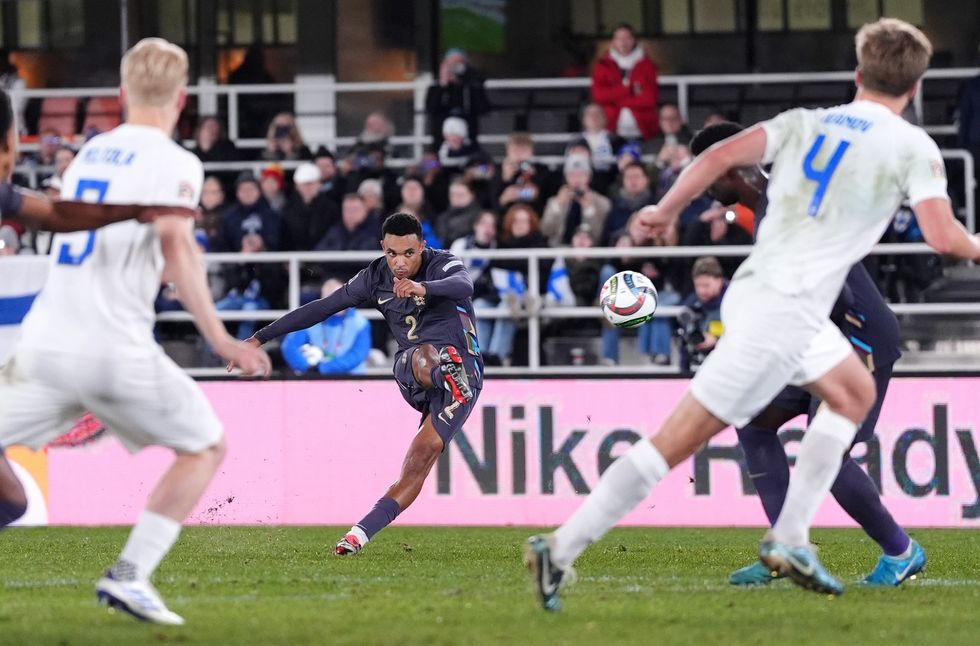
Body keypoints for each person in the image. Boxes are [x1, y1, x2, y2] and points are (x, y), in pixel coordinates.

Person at [526, 18, 979, 609]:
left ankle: (788, 537)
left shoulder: (803, 123)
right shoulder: (913, 145)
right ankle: (561, 549)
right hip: (781, 310)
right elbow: (942, 237)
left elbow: (718, 157)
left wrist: (664, 209)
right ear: (916, 87)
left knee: (851, 395)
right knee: (675, 441)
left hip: (776, 302)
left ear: (858, 74)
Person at [0, 38, 271, 625]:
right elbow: (177, 247)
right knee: (205, 446)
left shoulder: (93, 151)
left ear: (121, 94)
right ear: (182, 99)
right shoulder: (178, 163)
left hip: (44, 342)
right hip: (112, 348)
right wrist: (221, 338)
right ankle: (129, 574)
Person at [687, 122, 922, 587]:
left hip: (858, 337)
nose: (700, 181)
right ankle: (786, 547)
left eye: (705, 170)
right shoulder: (774, 204)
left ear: (731, 167)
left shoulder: (782, 208)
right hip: (822, 336)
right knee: (755, 424)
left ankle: (902, 551)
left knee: (827, 454)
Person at [230, 212, 483, 555]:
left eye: (409, 253)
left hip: (467, 371)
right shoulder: (373, 276)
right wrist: (259, 338)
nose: (399, 262)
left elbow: (464, 286)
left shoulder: (444, 263)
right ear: (383, 248)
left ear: (422, 246)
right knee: (424, 354)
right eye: (392, 253)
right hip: (416, 368)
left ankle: (358, 534)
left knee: (421, 458)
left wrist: (423, 287)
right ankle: (445, 374)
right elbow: (322, 307)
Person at [280, 278, 371, 375]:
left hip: (352, 380)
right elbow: (289, 346)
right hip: (316, 380)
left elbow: (358, 354)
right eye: (328, 297)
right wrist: (307, 368)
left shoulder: (360, 323)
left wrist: (323, 369)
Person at [590, 24, 659, 141]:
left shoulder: (647, 65)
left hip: (644, 132)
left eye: (627, 38)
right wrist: (630, 90)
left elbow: (649, 99)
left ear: (634, 40)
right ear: (614, 41)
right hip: (611, 131)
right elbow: (599, 96)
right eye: (619, 38)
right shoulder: (603, 66)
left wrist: (614, 100)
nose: (623, 42)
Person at [541, 153, 610, 247]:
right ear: (566, 178)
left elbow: (601, 236)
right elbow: (546, 231)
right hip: (559, 251)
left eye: (581, 175)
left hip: (590, 253)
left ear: (589, 177)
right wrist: (558, 206)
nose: (577, 180)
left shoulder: (602, 203)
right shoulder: (554, 201)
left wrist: (589, 209)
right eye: (572, 175)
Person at [425, 48, 489, 149]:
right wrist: (443, 84)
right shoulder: (435, 88)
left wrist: (471, 81)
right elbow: (431, 109)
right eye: (452, 63)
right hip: (441, 142)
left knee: (475, 163)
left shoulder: (471, 87)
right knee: (433, 163)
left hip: (469, 141)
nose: (455, 67)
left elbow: (482, 108)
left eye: (459, 63)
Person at [280, 161, 338, 251]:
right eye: (305, 184)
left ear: (319, 184)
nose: (308, 187)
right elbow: (284, 238)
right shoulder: (287, 209)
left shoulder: (331, 208)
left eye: (312, 183)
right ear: (297, 186)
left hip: (323, 258)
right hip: (295, 258)